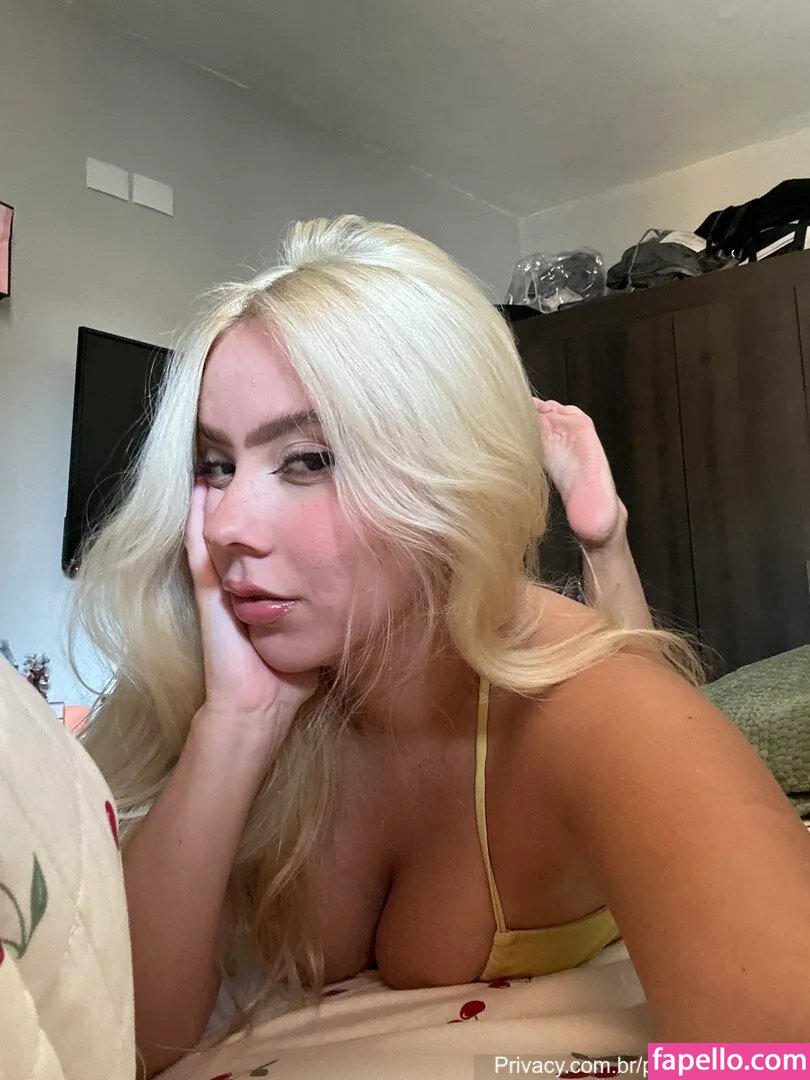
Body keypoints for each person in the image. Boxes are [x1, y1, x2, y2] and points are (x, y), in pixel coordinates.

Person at [67, 216, 810, 1077]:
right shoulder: (244, 673)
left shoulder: (596, 708)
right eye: (215, 465)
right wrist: (235, 725)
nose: (227, 525)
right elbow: (119, 1044)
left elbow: (774, 1055)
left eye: (308, 459)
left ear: (446, 471)